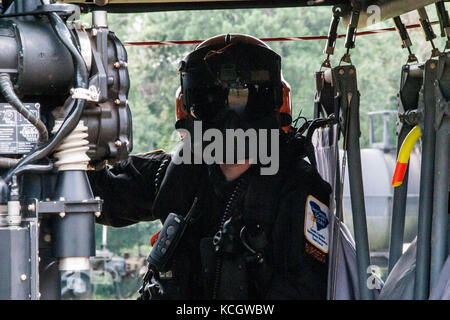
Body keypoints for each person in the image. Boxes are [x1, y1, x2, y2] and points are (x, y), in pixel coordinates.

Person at [88, 34, 332, 300]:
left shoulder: (297, 190)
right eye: (211, 101)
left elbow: (305, 288)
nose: (232, 119)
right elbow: (93, 193)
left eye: (248, 99)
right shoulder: (177, 174)